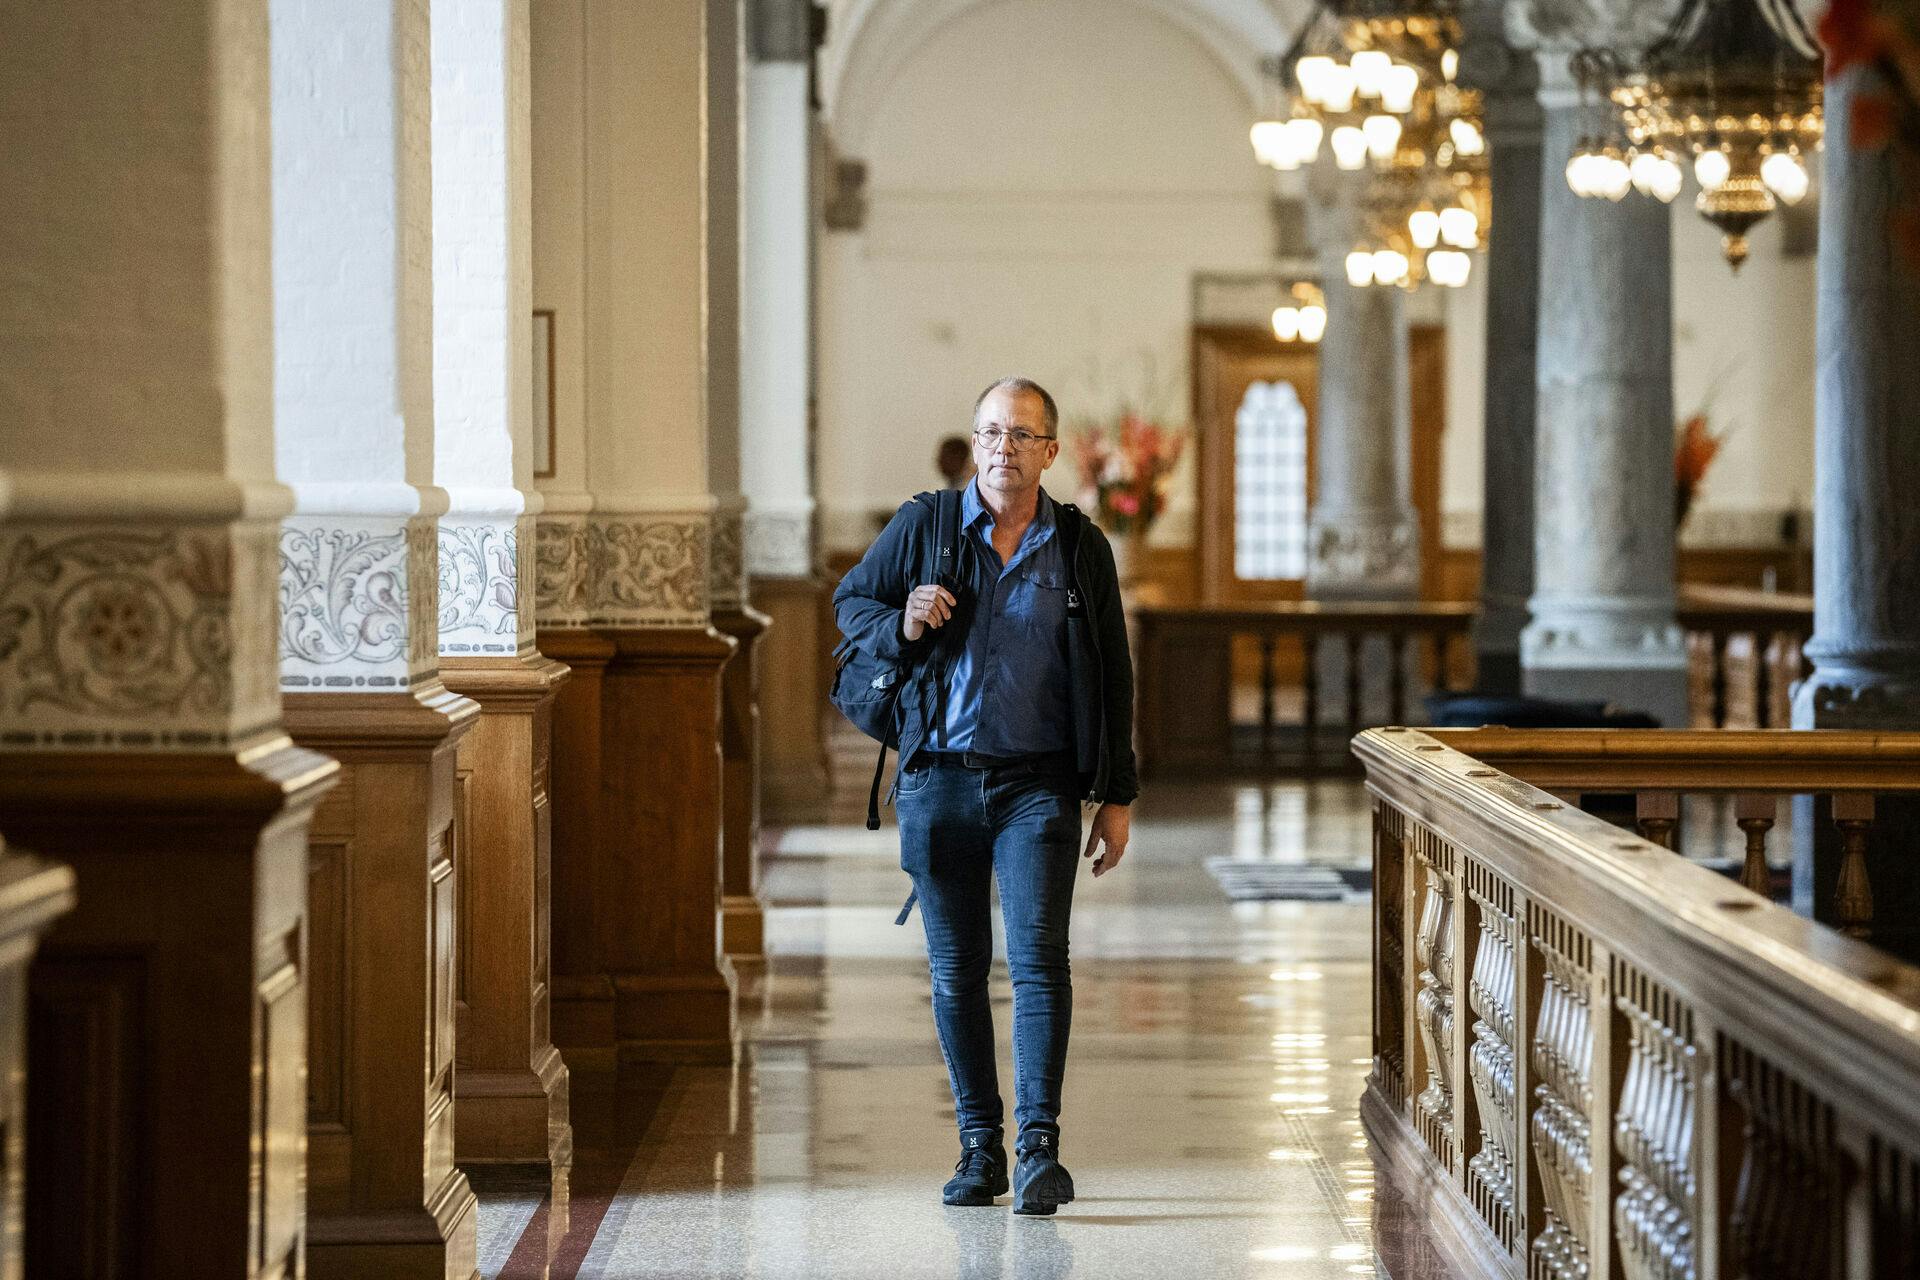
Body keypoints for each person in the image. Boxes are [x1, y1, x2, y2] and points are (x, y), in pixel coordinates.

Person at [832, 377, 1138, 1216]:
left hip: (1038, 785)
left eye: (1022, 435)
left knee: (1040, 962)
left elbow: (1113, 675)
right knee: (957, 970)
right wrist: (902, 617)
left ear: (1051, 450)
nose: (1005, 449)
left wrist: (1116, 796)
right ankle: (980, 1147)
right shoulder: (925, 526)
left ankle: (1040, 1147)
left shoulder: (1080, 548)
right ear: (976, 444)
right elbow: (849, 600)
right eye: (992, 433)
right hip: (935, 778)